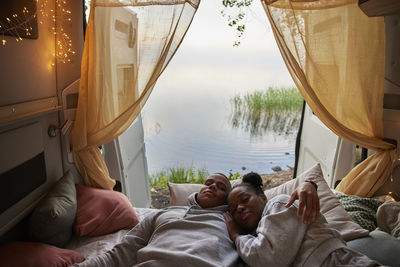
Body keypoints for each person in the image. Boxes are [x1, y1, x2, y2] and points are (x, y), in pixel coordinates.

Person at [73, 173, 319, 267]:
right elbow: (120, 253)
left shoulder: (237, 222)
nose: (211, 186)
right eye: (208, 182)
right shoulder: (163, 214)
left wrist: (309, 184)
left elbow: (270, 231)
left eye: (220, 186)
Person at [223, 172, 381, 267]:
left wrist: (236, 236)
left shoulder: (280, 204)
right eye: (233, 209)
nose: (239, 208)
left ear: (263, 197)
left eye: (245, 200)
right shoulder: (257, 234)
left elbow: (269, 259)